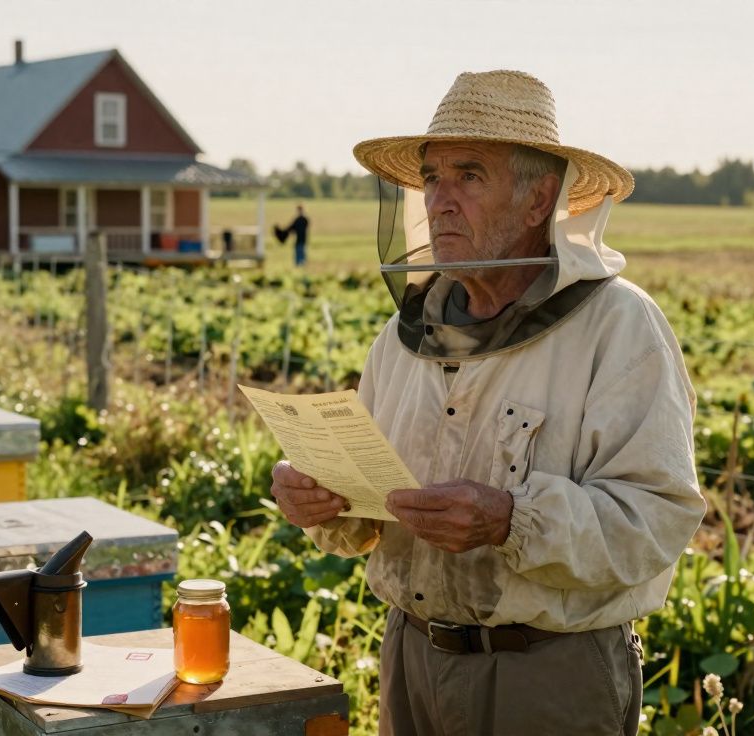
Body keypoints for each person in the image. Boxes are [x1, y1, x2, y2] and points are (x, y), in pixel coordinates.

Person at [270, 70, 706, 735]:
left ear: (539, 201)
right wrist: (321, 500)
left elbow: (657, 519)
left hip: (548, 676)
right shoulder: (403, 335)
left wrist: (511, 519)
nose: (440, 201)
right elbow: (368, 512)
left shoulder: (618, 328)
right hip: (410, 659)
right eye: (432, 178)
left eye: (470, 176)